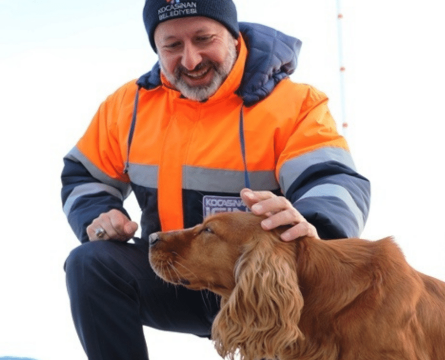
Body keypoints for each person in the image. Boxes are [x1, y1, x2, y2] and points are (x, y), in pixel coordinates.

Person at [61, 0, 371, 359]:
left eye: (203, 38)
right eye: (172, 46)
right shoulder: (127, 107)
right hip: (174, 272)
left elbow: (332, 178)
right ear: (156, 49)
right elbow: (82, 174)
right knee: (89, 263)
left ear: (234, 37)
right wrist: (98, 215)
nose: (190, 60)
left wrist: (315, 224)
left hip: (263, 286)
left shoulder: (296, 103)